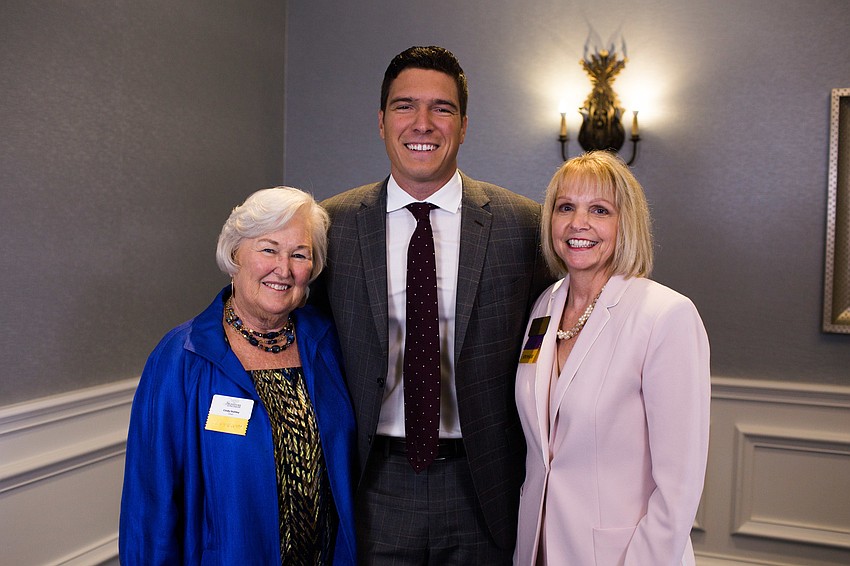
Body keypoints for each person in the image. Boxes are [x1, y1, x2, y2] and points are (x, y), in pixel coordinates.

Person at [316, 46, 553, 564]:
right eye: (405, 106)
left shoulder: (524, 227)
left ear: (464, 125)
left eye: (441, 108)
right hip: (374, 485)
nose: (422, 123)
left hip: (485, 486)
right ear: (381, 121)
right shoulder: (330, 226)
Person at [119, 187, 357, 565]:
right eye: (268, 249)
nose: (284, 268)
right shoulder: (182, 356)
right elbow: (151, 504)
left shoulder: (328, 344)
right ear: (234, 255)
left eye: (299, 254)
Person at [513, 151, 710, 565]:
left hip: (622, 555)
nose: (578, 223)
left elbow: (679, 488)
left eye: (599, 210)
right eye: (565, 207)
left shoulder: (665, 315)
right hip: (538, 547)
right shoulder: (545, 307)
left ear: (626, 224)